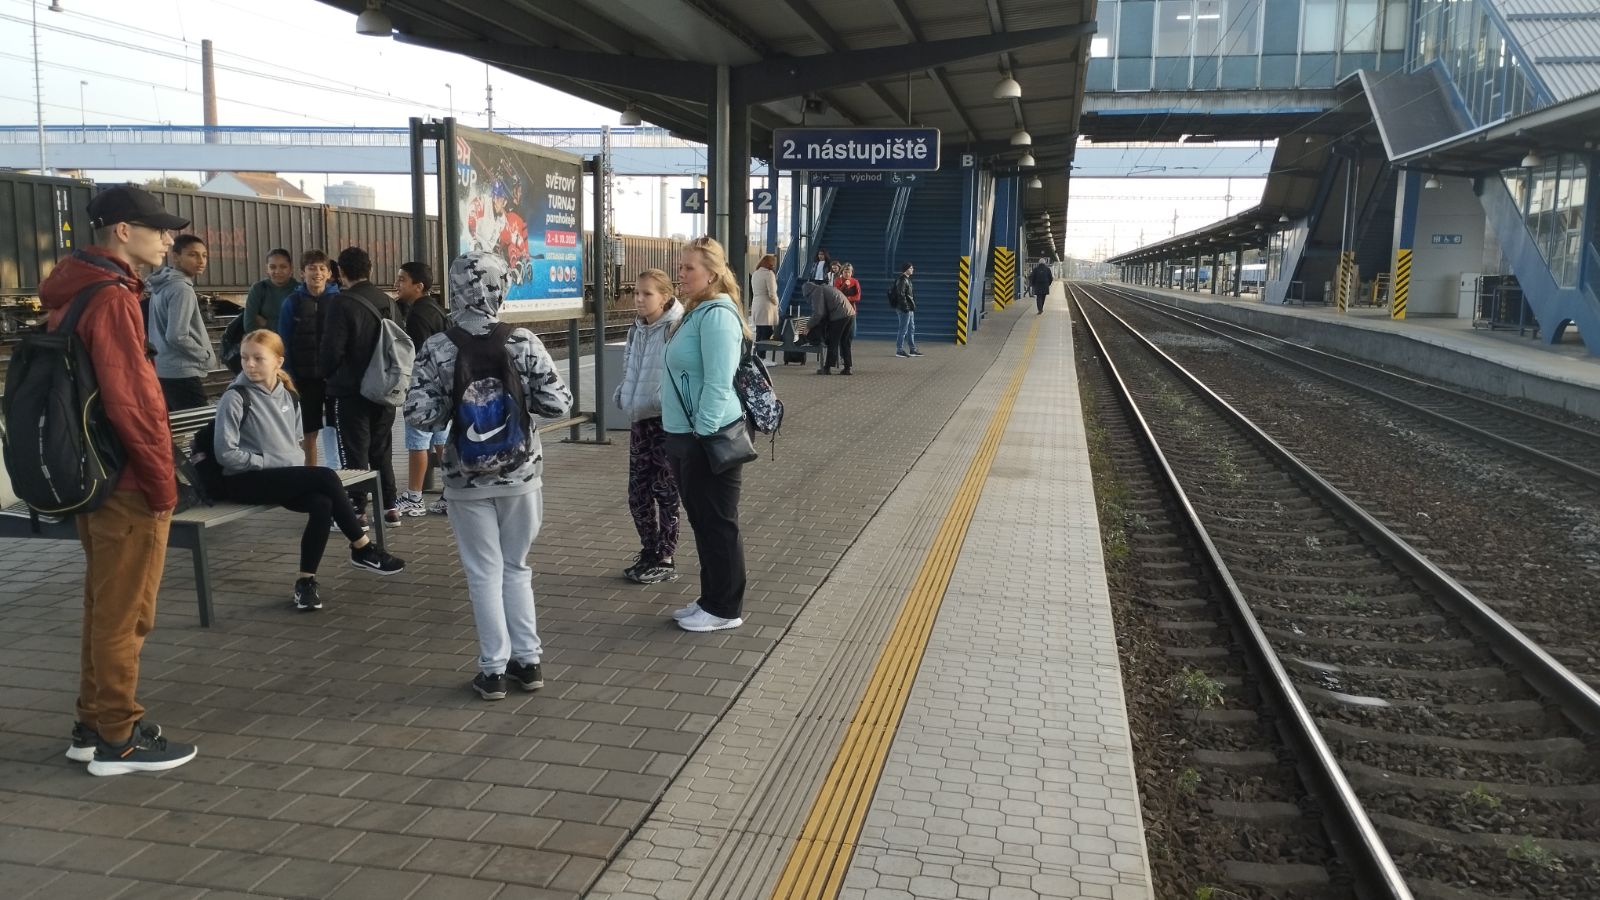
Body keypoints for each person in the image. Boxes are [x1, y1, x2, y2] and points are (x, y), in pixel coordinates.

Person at [41, 184, 198, 775]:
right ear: (124, 231)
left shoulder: (76, 289)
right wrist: (163, 485)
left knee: (104, 605)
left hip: (95, 472)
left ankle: (92, 724)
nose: (168, 239)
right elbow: (134, 403)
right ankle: (119, 738)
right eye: (158, 229)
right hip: (127, 479)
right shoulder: (111, 298)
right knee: (126, 615)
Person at [405, 252, 573, 700]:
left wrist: (454, 406)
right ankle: (529, 663)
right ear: (501, 288)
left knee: (484, 573)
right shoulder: (523, 341)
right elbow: (558, 404)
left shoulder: (437, 347)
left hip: (466, 479)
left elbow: (419, 415)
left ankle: (493, 670)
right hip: (522, 474)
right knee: (516, 567)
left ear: (454, 290)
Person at [215, 330, 405, 611]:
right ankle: (362, 547)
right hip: (245, 480)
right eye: (244, 358)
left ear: (278, 361)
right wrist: (270, 462)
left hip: (280, 476)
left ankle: (306, 582)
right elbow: (226, 454)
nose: (249, 364)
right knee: (325, 475)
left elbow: (295, 444)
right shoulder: (235, 397)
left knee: (322, 503)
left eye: (258, 358)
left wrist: (285, 465)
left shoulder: (289, 396)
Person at [662, 236, 751, 633]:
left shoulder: (717, 315)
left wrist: (702, 432)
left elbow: (718, 380)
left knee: (718, 523)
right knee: (702, 520)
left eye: (689, 268)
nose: (680, 274)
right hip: (685, 434)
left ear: (712, 274)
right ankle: (710, 598)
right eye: (680, 267)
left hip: (706, 436)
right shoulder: (696, 311)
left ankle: (725, 609)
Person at [320, 246, 403, 526]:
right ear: (371, 269)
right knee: (381, 449)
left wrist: (326, 375)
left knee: (354, 451)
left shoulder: (340, 303)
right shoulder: (388, 302)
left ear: (339, 272)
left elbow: (331, 351)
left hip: (351, 391)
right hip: (385, 389)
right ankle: (390, 507)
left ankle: (358, 511)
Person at [613, 268, 683, 585]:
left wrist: (659, 398)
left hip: (666, 421)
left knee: (665, 492)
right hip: (640, 418)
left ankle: (666, 558)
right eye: (636, 293)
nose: (639, 299)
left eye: (647, 294)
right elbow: (630, 363)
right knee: (637, 493)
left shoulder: (675, 327)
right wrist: (625, 392)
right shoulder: (637, 328)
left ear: (665, 297)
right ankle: (649, 551)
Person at [394, 262, 449, 518]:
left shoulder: (417, 314)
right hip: (442, 387)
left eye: (402, 279)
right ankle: (451, 493)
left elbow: (416, 355)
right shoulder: (436, 309)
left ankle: (414, 497)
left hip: (423, 389)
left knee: (418, 443)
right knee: (441, 441)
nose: (397, 284)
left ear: (418, 286)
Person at [277, 250, 339, 468]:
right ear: (302, 273)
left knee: (335, 429)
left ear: (329, 273)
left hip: (334, 379)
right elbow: (283, 342)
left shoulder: (339, 301)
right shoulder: (292, 302)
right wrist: (289, 378)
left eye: (322, 268)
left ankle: (338, 473)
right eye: (312, 268)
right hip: (304, 380)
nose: (317, 273)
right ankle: (310, 474)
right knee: (308, 433)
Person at [147, 233, 219, 411]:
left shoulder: (162, 285)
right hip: (181, 372)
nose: (201, 261)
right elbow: (176, 335)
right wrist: (204, 355)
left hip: (163, 368)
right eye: (193, 255)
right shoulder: (182, 289)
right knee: (199, 424)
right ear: (176, 257)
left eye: (204, 255)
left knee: (178, 424)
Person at [803, 279, 853, 375]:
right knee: (845, 342)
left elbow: (818, 313)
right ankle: (848, 368)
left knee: (833, 341)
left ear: (807, 292)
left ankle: (827, 368)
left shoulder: (816, 292)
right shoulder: (824, 288)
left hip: (839, 315)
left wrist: (808, 326)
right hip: (850, 313)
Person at [242, 249, 299, 330]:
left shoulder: (299, 291)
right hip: (261, 338)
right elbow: (249, 326)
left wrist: (266, 323)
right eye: (272, 267)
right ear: (267, 269)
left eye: (283, 267)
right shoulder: (258, 289)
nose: (277, 271)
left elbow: (299, 328)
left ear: (291, 268)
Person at [749, 253, 778, 357]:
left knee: (760, 331)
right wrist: (776, 303)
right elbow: (772, 293)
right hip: (766, 306)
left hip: (756, 303)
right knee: (767, 331)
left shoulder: (755, 273)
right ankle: (761, 356)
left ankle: (756, 355)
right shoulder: (769, 274)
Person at [890, 261, 921, 358]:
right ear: (906, 269)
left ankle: (912, 349)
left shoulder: (907, 280)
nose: (913, 269)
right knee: (903, 329)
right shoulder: (902, 280)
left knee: (911, 329)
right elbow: (901, 295)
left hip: (909, 308)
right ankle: (899, 350)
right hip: (904, 309)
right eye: (911, 268)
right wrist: (905, 307)